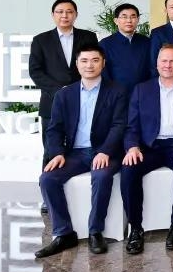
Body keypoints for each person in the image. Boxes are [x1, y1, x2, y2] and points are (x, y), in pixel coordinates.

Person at [34, 46, 126, 257]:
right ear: (77, 64)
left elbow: (119, 125)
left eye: (95, 60)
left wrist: (105, 151)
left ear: (103, 63)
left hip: (105, 152)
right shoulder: (64, 94)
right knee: (47, 179)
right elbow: (54, 129)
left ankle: (95, 231)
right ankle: (64, 233)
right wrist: (57, 153)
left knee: (102, 176)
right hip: (75, 153)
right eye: (84, 61)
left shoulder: (117, 91)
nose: (89, 65)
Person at [120, 44, 173, 254]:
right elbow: (131, 126)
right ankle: (136, 229)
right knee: (128, 170)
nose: (168, 65)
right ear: (157, 64)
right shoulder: (141, 89)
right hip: (149, 147)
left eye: (172, 61)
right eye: (164, 61)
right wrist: (132, 147)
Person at [29, 0, 99, 167]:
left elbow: (94, 65)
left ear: (76, 15)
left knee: (81, 146)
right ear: (53, 15)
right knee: (52, 150)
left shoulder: (88, 37)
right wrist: (59, 90)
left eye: (69, 12)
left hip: (84, 99)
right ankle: (48, 180)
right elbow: (35, 71)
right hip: (52, 101)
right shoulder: (41, 40)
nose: (64, 16)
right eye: (60, 12)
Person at [98, 3, 152, 94]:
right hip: (116, 95)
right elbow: (103, 73)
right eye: (124, 17)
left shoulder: (147, 42)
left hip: (144, 93)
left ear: (138, 20)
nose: (129, 20)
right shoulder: (105, 44)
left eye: (133, 17)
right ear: (116, 21)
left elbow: (152, 68)